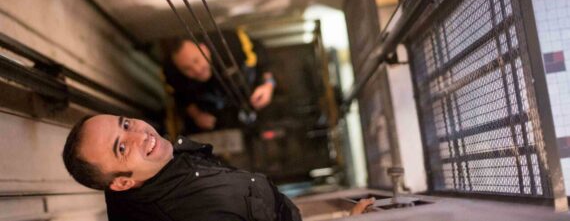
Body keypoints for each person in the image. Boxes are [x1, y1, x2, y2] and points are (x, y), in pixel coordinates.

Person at [62, 114, 374, 221]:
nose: (140, 134)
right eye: (121, 147)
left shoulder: (151, 173)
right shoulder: (181, 214)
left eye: (126, 123)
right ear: (121, 183)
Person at [163, 30, 275, 133]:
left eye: (196, 60)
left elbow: (260, 53)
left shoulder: (231, 42)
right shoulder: (172, 72)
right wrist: (197, 115)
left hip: (253, 96)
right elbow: (180, 96)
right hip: (217, 117)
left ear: (205, 49)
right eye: (187, 69)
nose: (197, 70)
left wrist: (268, 84)